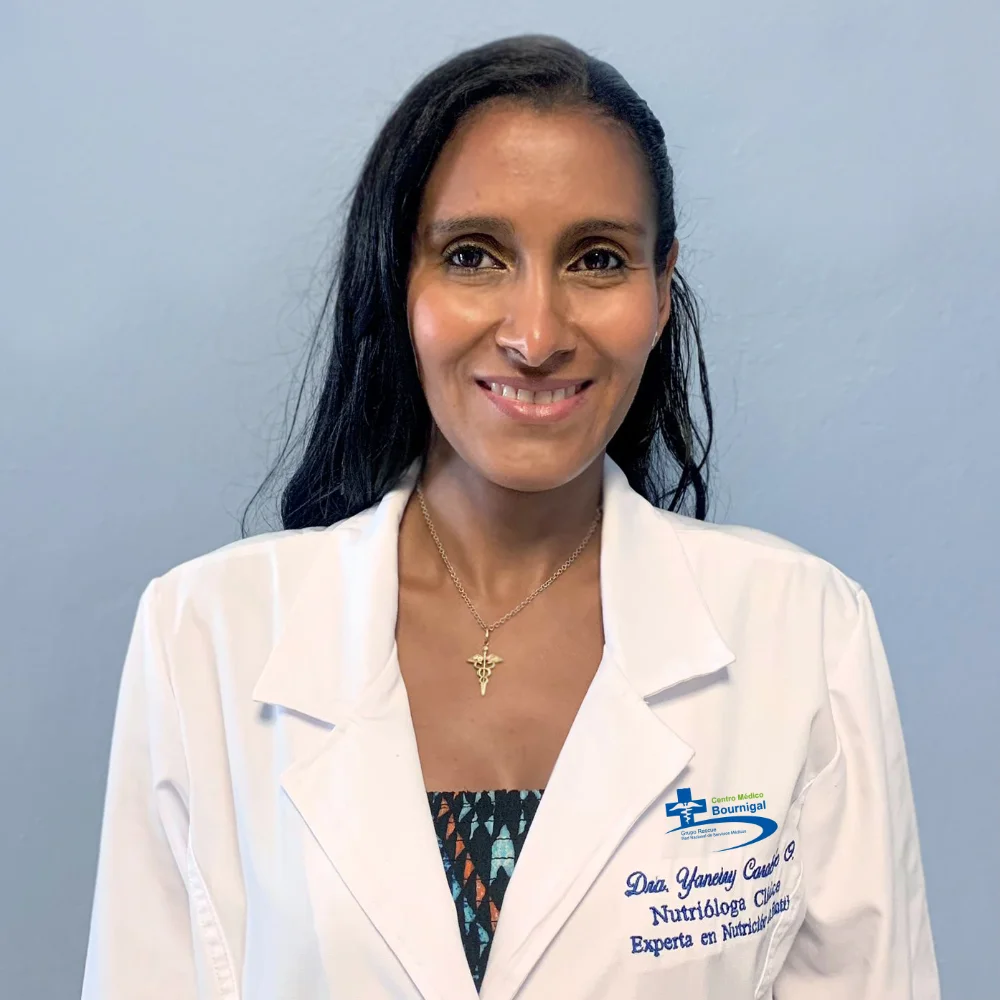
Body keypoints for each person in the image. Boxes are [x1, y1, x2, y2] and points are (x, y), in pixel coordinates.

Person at [81, 34, 940, 1000]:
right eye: (473, 256)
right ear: (399, 282)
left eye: (598, 259)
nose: (535, 336)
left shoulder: (805, 631)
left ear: (661, 292)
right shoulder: (203, 635)